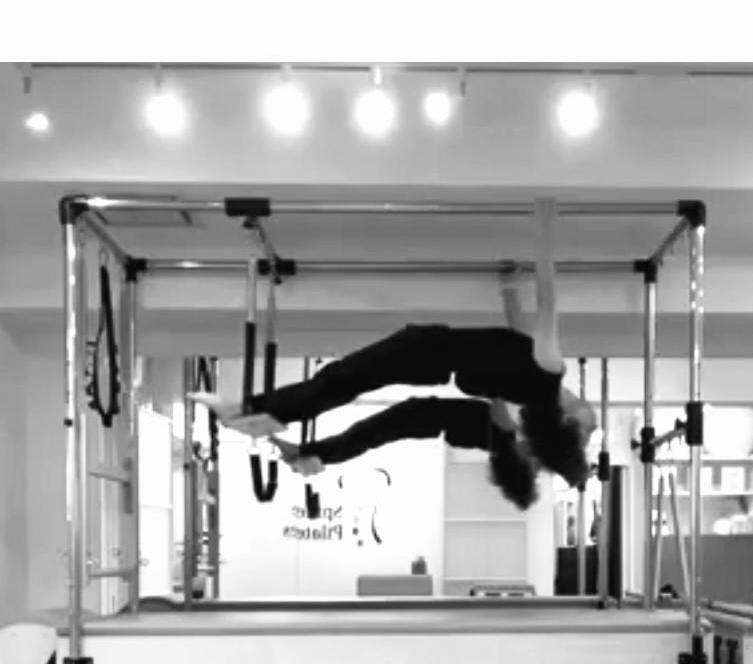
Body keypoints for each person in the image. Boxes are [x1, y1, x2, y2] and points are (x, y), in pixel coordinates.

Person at [194, 201, 597, 508]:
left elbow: (547, 302)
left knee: (350, 383)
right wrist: (510, 290)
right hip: (446, 377)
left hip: (434, 354)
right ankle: (303, 446)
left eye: (582, 424)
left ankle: (265, 416)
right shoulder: (527, 404)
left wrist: (545, 225)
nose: (585, 420)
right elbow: (523, 336)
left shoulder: (543, 379)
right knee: (372, 408)